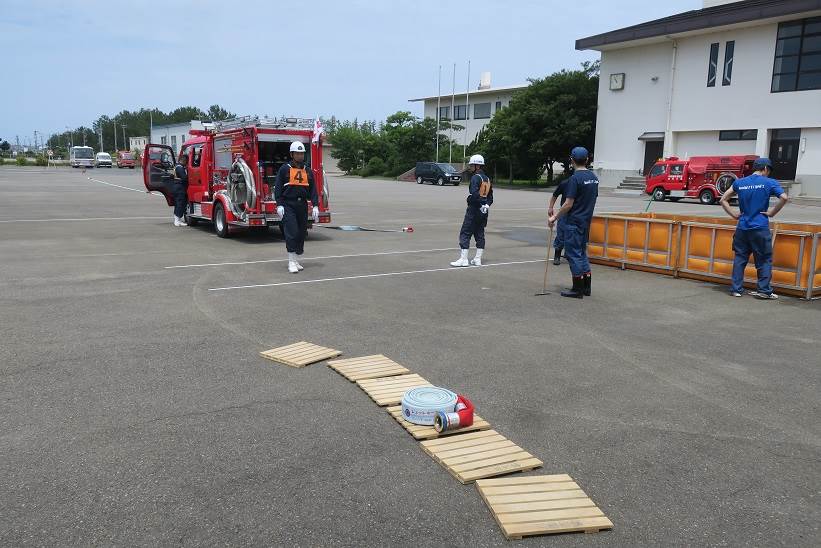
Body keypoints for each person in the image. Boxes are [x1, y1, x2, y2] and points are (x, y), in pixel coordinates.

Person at [720, 157, 788, 299]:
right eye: (768, 170)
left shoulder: (740, 182)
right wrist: (772, 213)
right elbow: (784, 197)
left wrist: (734, 214)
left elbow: (723, 199)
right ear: (765, 169)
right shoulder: (769, 183)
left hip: (742, 227)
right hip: (760, 227)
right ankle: (764, 291)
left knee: (740, 258)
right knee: (763, 259)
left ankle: (736, 289)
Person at [548, 147, 598, 298]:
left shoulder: (575, 179)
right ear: (587, 159)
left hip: (574, 222)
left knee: (573, 255)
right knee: (582, 253)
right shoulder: (594, 178)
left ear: (571, 160)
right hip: (585, 221)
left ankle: (577, 289)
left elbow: (568, 204)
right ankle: (586, 287)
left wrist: (554, 217)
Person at [275, 141, 319, 274]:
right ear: (292, 154)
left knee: (300, 233)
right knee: (292, 231)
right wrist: (279, 205)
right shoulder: (284, 169)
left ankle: (295, 259)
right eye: (297, 153)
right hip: (289, 205)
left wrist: (316, 205)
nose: (300, 156)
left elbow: (313, 190)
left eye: (302, 153)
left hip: (302, 205)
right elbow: (278, 188)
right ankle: (291, 261)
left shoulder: (307, 170)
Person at [451, 154, 494, 267]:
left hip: (474, 209)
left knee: (465, 232)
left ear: (477, 166)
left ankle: (464, 259)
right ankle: (477, 259)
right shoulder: (487, 179)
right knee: (479, 233)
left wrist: (478, 203)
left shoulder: (475, 177)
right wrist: (486, 205)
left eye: (471, 165)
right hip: (483, 211)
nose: (470, 167)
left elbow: (474, 194)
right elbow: (490, 197)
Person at [548, 177, 569, 265]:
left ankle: (568, 254)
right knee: (561, 233)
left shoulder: (582, 183)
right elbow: (555, 195)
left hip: (577, 213)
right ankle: (557, 255)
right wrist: (551, 207)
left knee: (574, 234)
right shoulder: (565, 183)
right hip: (564, 212)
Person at [172, 153, 189, 227]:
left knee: (178, 204)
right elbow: (184, 178)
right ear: (184, 160)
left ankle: (177, 219)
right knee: (180, 204)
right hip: (180, 188)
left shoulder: (177, 166)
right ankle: (177, 220)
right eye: (187, 161)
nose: (187, 163)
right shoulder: (180, 168)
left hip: (177, 187)